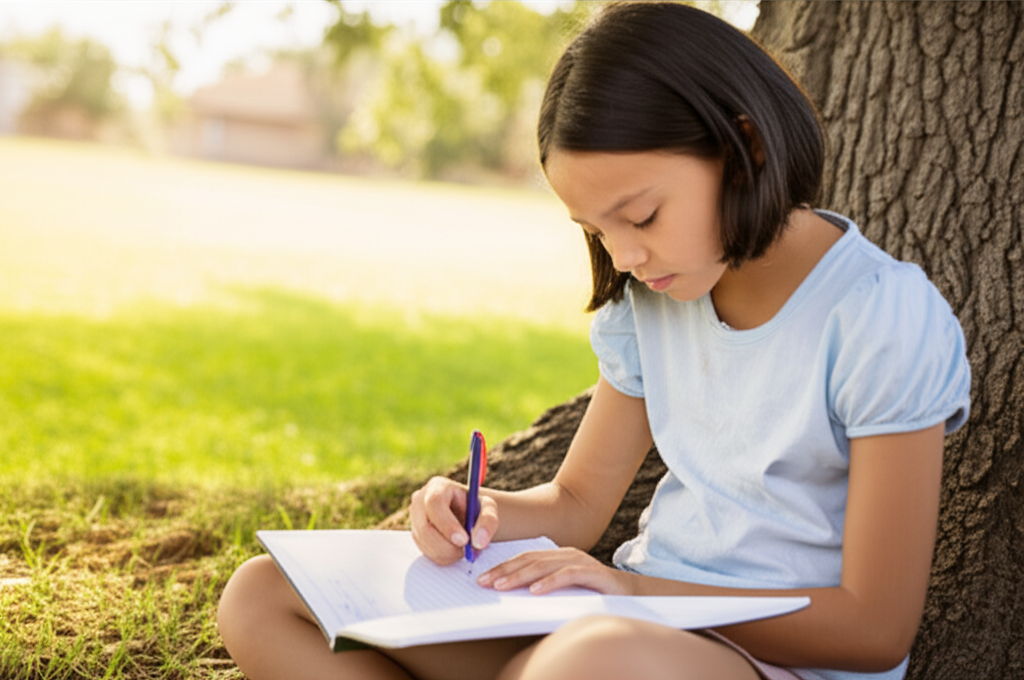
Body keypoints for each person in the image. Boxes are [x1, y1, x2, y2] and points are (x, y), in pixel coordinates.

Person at [216, 3, 971, 679]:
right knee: (264, 595)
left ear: (745, 148)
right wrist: (477, 511)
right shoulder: (657, 297)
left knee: (589, 660)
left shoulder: (879, 316)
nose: (626, 258)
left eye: (640, 217)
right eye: (597, 232)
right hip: (609, 631)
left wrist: (637, 594)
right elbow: (577, 501)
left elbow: (874, 628)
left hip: (755, 655)